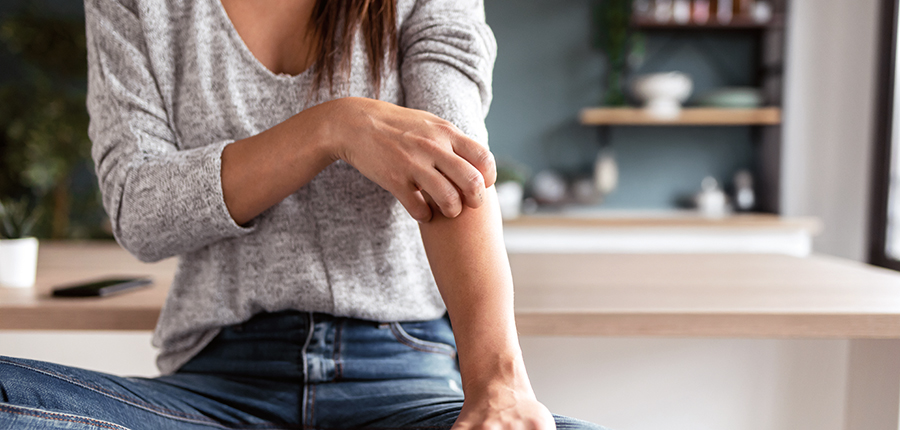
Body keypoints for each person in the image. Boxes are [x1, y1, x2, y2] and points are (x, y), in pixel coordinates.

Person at [0, 0, 607, 429]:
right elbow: (139, 208)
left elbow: (455, 170)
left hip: (402, 377)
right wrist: (332, 127)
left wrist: (498, 385)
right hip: (216, 391)